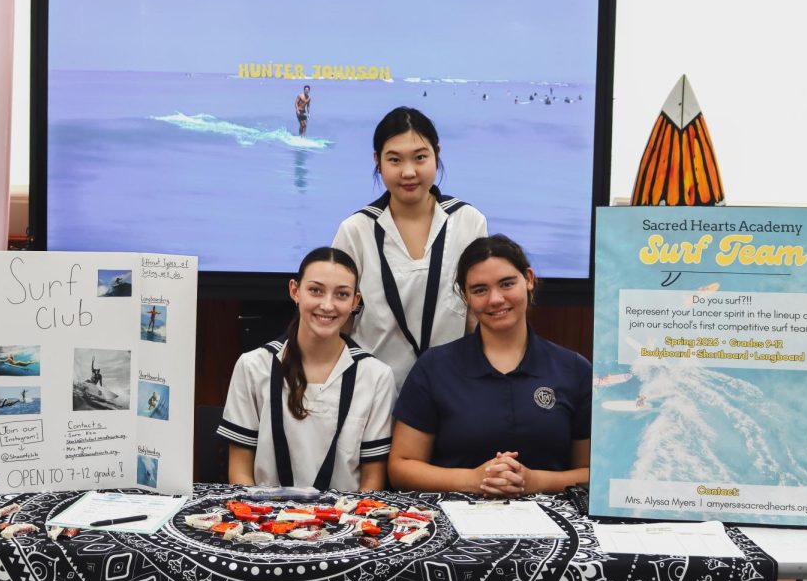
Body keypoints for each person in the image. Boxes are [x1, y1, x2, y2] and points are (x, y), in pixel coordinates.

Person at [388, 235, 590, 494]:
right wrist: (473, 480)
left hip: (555, 527)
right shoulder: (434, 367)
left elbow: (593, 472)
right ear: (466, 296)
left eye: (506, 284)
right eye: (480, 289)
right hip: (452, 524)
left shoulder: (574, 370)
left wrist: (534, 481)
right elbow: (401, 467)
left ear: (529, 279)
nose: (495, 299)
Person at [333, 107, 487, 391]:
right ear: (377, 161)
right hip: (373, 394)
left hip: (451, 391)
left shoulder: (468, 221)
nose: (408, 172)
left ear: (437, 154)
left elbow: (475, 317)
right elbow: (338, 321)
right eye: (394, 159)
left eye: (420, 157)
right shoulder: (356, 230)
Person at [218, 247, 395, 491]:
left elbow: (372, 481)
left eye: (341, 294)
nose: (327, 305)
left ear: (355, 301)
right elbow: (240, 471)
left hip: (347, 522)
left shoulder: (376, 376)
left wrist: (350, 527)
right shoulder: (252, 366)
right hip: (265, 521)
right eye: (315, 290)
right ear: (295, 290)